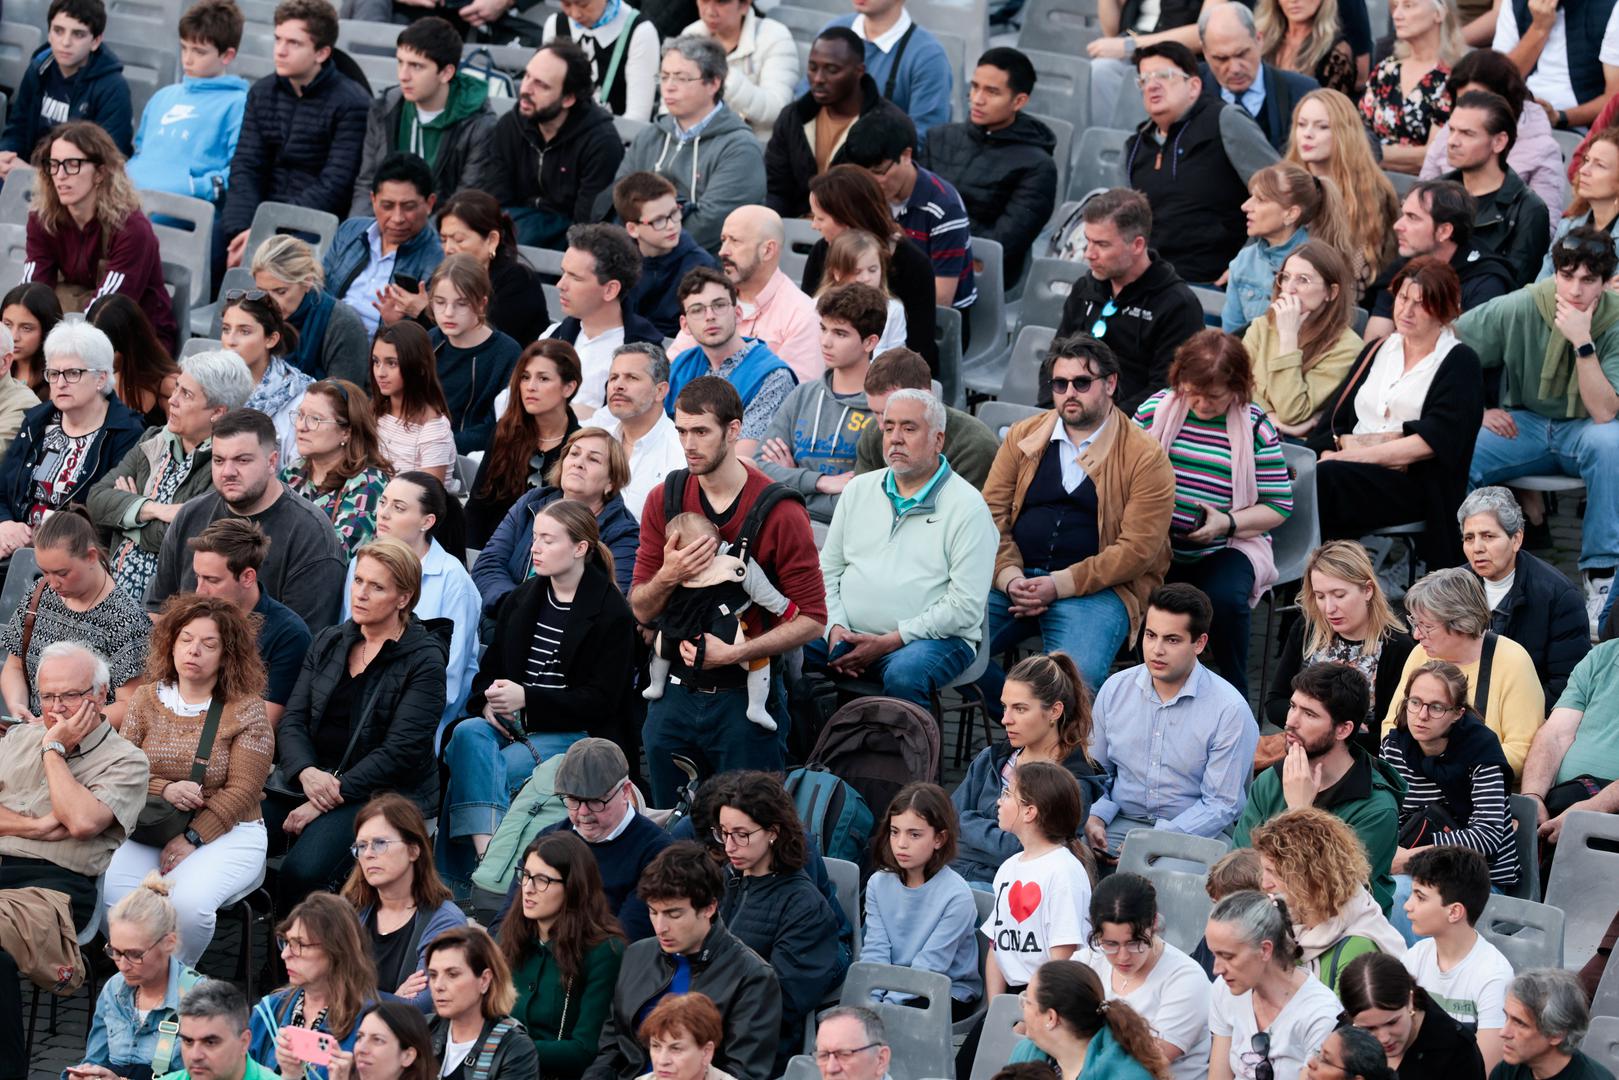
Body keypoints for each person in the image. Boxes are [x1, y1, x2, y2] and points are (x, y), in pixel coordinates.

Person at [631, 377, 825, 804]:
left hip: (744, 697)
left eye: (701, 431)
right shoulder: (665, 498)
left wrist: (735, 653)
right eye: (681, 431)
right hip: (674, 693)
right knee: (669, 823)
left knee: (751, 830)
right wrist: (669, 574)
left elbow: (813, 619)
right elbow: (640, 609)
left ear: (733, 431)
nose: (688, 444)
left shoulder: (780, 511)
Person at [441, 501, 635, 888]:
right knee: (466, 735)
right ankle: (489, 853)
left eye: (548, 539)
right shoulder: (524, 597)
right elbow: (490, 670)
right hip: (509, 721)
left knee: (496, 767)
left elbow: (601, 701)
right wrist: (487, 703)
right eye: (534, 538)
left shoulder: (611, 612)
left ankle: (472, 877)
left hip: (575, 733)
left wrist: (527, 700)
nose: (535, 548)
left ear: (580, 548)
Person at [266, 539, 448, 909]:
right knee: (236, 837)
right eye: (358, 581)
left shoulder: (424, 660)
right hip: (311, 780)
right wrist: (305, 772)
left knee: (303, 872)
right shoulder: (332, 640)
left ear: (403, 598)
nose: (360, 594)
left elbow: (401, 752)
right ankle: (256, 953)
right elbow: (294, 720)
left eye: (376, 586)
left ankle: (303, 956)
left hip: (382, 792)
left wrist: (327, 798)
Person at [0, 641, 148, 1076]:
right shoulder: (18, 738)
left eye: (69, 695)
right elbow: (61, 820)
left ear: (101, 695)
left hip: (53, 892)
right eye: (47, 696)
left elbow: (82, 821)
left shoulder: (126, 761)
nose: (57, 708)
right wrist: (35, 825)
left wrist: (54, 750)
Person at [1461, 227, 1619, 634]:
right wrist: (1476, 409)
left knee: (1611, 442)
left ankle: (1600, 576)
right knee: (1458, 446)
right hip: (1523, 424)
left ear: (1605, 282)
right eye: (1567, 276)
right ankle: (1473, 568)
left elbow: (1603, 412)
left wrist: (1583, 342)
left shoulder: (1615, 318)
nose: (1575, 290)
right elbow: (1449, 345)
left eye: (1588, 280)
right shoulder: (1523, 306)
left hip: (1584, 429)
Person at [104, 594, 272, 965]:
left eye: (208, 644)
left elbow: (244, 790)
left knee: (187, 906)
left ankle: (171, 987)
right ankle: (134, 980)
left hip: (230, 830)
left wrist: (193, 838)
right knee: (118, 896)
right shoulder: (146, 699)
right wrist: (165, 787)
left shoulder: (246, 708)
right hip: (154, 823)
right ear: (171, 643)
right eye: (186, 639)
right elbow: (122, 769)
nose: (194, 651)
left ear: (227, 654)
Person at [808, 388, 995, 703]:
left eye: (909, 428)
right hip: (848, 631)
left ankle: (909, 752)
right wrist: (835, 627)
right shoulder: (858, 490)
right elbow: (827, 569)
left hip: (930, 641)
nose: (895, 437)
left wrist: (893, 640)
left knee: (904, 674)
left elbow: (964, 608)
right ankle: (811, 749)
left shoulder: (969, 508)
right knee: (783, 644)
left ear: (938, 440)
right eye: (889, 427)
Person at [1135, 329, 1293, 700]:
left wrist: (1227, 522)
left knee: (1224, 599)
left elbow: (1278, 505)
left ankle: (1234, 692)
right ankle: (1145, 688)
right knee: (1130, 588)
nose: (1202, 404)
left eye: (1214, 397)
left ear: (1238, 389)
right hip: (1159, 542)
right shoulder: (1154, 409)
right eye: (1193, 392)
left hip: (1227, 544)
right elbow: (1121, 473)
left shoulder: (1256, 427)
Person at [1312, 257, 1486, 574]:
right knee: (1293, 472)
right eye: (1403, 298)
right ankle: (1316, 583)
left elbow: (1433, 442)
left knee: (1325, 481)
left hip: (1413, 482)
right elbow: (1338, 416)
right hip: (1350, 471)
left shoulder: (1459, 361)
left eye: (1421, 304)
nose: (1406, 311)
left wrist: (1349, 459)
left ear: (1446, 309)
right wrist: (1326, 451)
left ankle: (1328, 585)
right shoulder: (1379, 348)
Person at [580, 841, 782, 1080]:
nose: (660, 927)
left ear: (709, 908)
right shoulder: (636, 955)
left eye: (673, 914)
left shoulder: (752, 976)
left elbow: (742, 1073)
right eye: (653, 912)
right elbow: (611, 1050)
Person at [1086, 583, 1261, 855]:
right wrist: (1095, 817)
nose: (1157, 650)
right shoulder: (1115, 689)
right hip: (1118, 822)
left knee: (1173, 887)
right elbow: (1096, 772)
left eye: (1172, 640)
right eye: (1151, 635)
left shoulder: (1229, 709)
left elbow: (1221, 806)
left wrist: (1152, 843)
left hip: (1196, 833)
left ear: (1199, 643)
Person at [146, 407, 348, 631]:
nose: (228, 472)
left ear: (272, 462)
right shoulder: (191, 515)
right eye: (219, 460)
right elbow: (158, 610)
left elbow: (307, 642)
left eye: (242, 460)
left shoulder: (310, 534)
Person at [1236, 661, 1406, 913]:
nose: (1291, 721)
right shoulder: (1271, 781)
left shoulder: (1376, 810)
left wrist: (1300, 814)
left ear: (1343, 729)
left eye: (1309, 714)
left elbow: (1327, 898)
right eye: (1293, 706)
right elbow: (1240, 869)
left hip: (1341, 939)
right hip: (1260, 921)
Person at [87, 348, 253, 602]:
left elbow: (184, 540)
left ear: (218, 412)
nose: (172, 400)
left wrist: (127, 518)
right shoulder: (153, 439)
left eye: (186, 394)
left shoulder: (226, 467)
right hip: (109, 587)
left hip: (168, 606)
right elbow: (97, 500)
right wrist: (154, 510)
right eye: (176, 388)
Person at [221, 0, 370, 269]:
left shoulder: (352, 102)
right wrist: (242, 229)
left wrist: (267, 231)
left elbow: (335, 185)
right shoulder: (262, 92)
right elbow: (246, 165)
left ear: (322, 53)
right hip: (255, 219)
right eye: (278, 39)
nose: (280, 50)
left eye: (294, 43)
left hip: (311, 226)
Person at [713, 772, 847, 1069]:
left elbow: (780, 999)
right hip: (707, 1029)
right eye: (723, 832)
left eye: (741, 834)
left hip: (756, 1048)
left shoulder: (804, 907)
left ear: (773, 832)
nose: (729, 846)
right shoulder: (726, 879)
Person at [1124, 42, 1281, 287]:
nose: (1152, 85)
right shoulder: (1135, 145)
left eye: (1164, 76)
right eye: (1144, 80)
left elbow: (1281, 192)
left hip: (1214, 284)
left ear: (1194, 86)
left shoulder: (1225, 120)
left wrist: (1247, 260)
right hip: (1151, 285)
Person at [488, 739, 673, 944]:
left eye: (595, 801)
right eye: (573, 800)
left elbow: (625, 939)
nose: (583, 813)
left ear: (626, 791)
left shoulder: (658, 852)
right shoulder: (548, 839)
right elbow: (507, 920)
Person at [341, 472, 478, 737]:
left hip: (417, 720)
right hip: (353, 704)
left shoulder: (453, 579)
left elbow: (450, 673)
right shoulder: (360, 562)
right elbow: (345, 637)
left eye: (399, 507)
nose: (384, 513)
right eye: (383, 502)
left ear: (427, 521)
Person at [952, 652, 1103, 885]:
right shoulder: (990, 760)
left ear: (1054, 711)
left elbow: (1021, 851)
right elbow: (948, 823)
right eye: (1004, 707)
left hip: (1013, 892)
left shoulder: (1073, 783)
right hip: (953, 877)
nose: (1005, 719)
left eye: (1020, 709)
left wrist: (970, 822)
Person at [22, 122, 176, 351]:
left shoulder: (132, 229)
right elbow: (31, 290)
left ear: (100, 173)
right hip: (73, 329)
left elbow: (106, 310)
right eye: (53, 165)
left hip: (136, 341)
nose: (60, 175)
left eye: (72, 165)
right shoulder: (43, 219)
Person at [0, 318, 143, 563]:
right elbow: (3, 487)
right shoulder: (37, 422)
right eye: (54, 373)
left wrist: (39, 538)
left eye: (73, 373)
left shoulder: (126, 433)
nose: (60, 383)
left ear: (101, 378)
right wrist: (4, 524)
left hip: (76, 557)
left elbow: (107, 512)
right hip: (15, 548)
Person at [605, 37, 765, 255]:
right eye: (664, 77)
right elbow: (620, 198)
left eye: (681, 78)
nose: (668, 87)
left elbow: (710, 225)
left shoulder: (740, 149)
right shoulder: (650, 136)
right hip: (638, 259)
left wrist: (645, 241)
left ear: (713, 83)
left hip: (705, 269)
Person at [1380, 568, 1545, 776]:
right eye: (1415, 623)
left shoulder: (1512, 661)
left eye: (1427, 626)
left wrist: (1446, 763)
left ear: (1462, 624)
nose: (1416, 634)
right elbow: (1391, 725)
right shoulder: (1420, 654)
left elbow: (1521, 753)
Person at [1054, 189, 1205, 416]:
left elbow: (1165, 390)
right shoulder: (1085, 288)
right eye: (1088, 241)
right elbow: (1057, 358)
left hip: (1131, 430)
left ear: (1137, 245)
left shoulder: (1178, 305)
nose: (1089, 254)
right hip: (1071, 414)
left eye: (1102, 245)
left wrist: (1102, 425)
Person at [641, 512, 795, 730]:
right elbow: (763, 591)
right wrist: (786, 608)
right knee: (662, 646)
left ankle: (756, 707)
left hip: (718, 625)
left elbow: (761, 590)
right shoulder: (680, 567)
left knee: (663, 646)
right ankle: (656, 685)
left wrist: (783, 607)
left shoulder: (734, 561)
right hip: (693, 625)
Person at [919, 47, 1058, 287]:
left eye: (991, 92)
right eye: (974, 87)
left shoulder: (1037, 166)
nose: (977, 99)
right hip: (921, 259)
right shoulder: (939, 138)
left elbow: (1001, 246)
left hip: (981, 279)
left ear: (1019, 101)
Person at [0, 507, 149, 728]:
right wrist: (17, 706)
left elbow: (130, 705)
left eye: (62, 573)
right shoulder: (39, 593)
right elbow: (14, 665)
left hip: (88, 747)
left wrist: (69, 726)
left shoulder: (124, 619)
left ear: (91, 556)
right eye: (45, 572)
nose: (52, 583)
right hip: (32, 732)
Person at [1262, 541, 1418, 750]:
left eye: (1339, 595)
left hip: (1362, 759)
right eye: (1320, 596)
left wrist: (1319, 725)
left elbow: (1394, 732)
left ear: (1367, 590)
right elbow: (1274, 703)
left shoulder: (1396, 646)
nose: (1329, 608)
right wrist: (1326, 725)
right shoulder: (1307, 628)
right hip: (1303, 750)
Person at [499, 831, 626, 1079]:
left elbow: (585, 1050)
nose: (528, 888)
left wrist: (504, 1047)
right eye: (525, 876)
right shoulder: (508, 938)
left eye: (542, 880)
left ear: (573, 887)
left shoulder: (604, 952)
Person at [471, 426, 640, 608]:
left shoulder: (623, 532)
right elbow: (488, 564)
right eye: (574, 454)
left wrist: (539, 615)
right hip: (506, 614)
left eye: (593, 459)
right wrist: (516, 607)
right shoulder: (531, 502)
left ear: (611, 482)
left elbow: (611, 602)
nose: (578, 463)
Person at [754, 283, 880, 523]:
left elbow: (860, 501)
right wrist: (820, 482)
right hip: (789, 525)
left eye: (840, 333)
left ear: (869, 343)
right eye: (823, 329)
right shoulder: (803, 395)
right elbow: (759, 466)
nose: (825, 342)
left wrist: (789, 481)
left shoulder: (882, 410)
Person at [485, 40, 626, 251]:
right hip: (512, 234)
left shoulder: (601, 143)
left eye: (541, 85)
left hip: (568, 246)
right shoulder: (510, 125)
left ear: (568, 99)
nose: (526, 89)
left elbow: (586, 225)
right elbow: (496, 200)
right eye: (526, 76)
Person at [348, 18, 496, 217]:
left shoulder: (479, 126)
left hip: (440, 236)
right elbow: (368, 183)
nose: (403, 75)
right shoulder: (384, 109)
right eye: (400, 62)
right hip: (386, 225)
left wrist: (416, 242)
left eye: (416, 66)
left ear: (446, 73)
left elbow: (463, 204)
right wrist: (359, 236)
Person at [1250, 808, 1408, 993]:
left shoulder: (1359, 950)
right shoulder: (1281, 921)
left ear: (1310, 877)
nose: (1264, 884)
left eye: (1274, 873)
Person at [762, 28, 911, 223]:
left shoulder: (891, 125)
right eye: (813, 68)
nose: (818, 79)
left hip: (857, 236)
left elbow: (888, 200)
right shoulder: (792, 117)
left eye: (832, 70)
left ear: (859, 71)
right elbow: (777, 190)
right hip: (793, 233)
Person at [800, 165, 939, 371]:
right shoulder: (823, 250)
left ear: (847, 221)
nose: (814, 226)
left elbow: (919, 348)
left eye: (820, 218)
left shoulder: (912, 264)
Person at [1074, 874, 1211, 1080]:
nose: (1123, 956)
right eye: (1110, 944)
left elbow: (1153, 1060)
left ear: (1154, 923)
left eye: (1134, 942)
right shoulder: (1087, 962)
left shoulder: (1185, 978)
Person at [861, 782, 981, 1014]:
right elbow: (875, 950)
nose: (901, 844)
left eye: (914, 834)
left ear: (939, 839)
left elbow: (931, 965)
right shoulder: (878, 882)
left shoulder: (957, 895)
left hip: (945, 990)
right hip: (891, 986)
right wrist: (870, 999)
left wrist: (884, 1009)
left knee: (885, 1024)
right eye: (895, 832)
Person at [1459, 486, 1589, 701]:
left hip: (1527, 715)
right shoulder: (1452, 588)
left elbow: (1567, 685)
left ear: (1516, 539)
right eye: (1469, 538)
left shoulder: (1558, 596)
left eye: (1488, 536)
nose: (1477, 548)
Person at [69, 874, 203, 1080]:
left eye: (134, 954)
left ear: (169, 943)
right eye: (115, 951)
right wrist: (85, 1075)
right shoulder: (114, 989)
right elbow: (95, 1059)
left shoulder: (201, 999)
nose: (122, 965)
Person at [841, 111, 977, 314]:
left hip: (935, 319)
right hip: (877, 307)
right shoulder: (864, 193)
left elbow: (941, 298)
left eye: (878, 172)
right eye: (863, 173)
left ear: (906, 155)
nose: (870, 182)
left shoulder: (944, 208)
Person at [339, 794, 466, 1010]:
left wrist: (355, 996)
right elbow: (322, 987)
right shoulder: (349, 909)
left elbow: (422, 1004)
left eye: (380, 843)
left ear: (414, 850)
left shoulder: (445, 920)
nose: (368, 854)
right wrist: (393, 999)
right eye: (361, 846)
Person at [669, 205, 820, 382]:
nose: (723, 251)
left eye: (734, 241)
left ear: (768, 250)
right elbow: (673, 368)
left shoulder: (802, 315)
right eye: (723, 240)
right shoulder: (707, 301)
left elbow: (794, 397)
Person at [984, 761, 1094, 1001]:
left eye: (1007, 794)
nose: (999, 801)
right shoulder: (1008, 867)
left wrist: (1030, 1012)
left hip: (1051, 997)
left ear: (1029, 811)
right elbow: (996, 948)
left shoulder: (1063, 871)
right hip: (1013, 998)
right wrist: (995, 1008)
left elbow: (1061, 957)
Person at [1205, 890, 1344, 1080]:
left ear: (1264, 950)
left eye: (1228, 956)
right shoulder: (1225, 989)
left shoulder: (1319, 1013)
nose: (1217, 969)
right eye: (1214, 954)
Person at [186, 517, 313, 726]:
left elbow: (262, 725)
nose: (200, 590)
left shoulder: (289, 634)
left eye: (212, 580)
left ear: (247, 577)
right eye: (197, 577)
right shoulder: (192, 617)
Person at [1402, 846, 1515, 1072]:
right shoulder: (1414, 957)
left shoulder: (1493, 975)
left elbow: (1483, 1069)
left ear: (1454, 912)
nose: (1407, 905)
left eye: (1420, 897)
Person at [125, 0, 247, 207]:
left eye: (199, 51)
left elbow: (240, 172)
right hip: (131, 205)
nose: (187, 59)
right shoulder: (162, 97)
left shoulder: (239, 104)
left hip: (185, 215)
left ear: (227, 55)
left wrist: (194, 187)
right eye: (184, 48)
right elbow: (139, 152)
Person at [666, 267, 796, 461]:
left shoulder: (772, 376)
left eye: (718, 305)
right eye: (697, 310)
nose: (710, 315)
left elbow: (742, 459)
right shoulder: (681, 366)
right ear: (685, 325)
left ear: (737, 313)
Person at [1422, 49, 1569, 218]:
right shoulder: (1447, 135)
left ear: (1506, 99)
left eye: (1480, 100)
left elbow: (1543, 228)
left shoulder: (1543, 149)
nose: (1470, 108)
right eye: (1463, 100)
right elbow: (1421, 204)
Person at [247, 894, 381, 1076]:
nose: (284, 954)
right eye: (286, 942)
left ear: (336, 950)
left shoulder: (370, 1027)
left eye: (299, 944)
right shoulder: (268, 1011)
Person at [467, 342, 585, 549]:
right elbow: (478, 506)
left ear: (569, 387)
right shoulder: (505, 433)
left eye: (543, 378)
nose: (530, 387)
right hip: (493, 554)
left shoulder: (579, 447)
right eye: (525, 377)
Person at [1364, 182, 1518, 340]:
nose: (1397, 226)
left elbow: (1467, 353)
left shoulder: (1485, 284)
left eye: (1412, 217)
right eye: (1403, 215)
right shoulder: (1405, 267)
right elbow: (1373, 343)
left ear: (1444, 231)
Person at [0, 0, 131, 181]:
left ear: (95, 41)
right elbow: (17, 128)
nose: (65, 42)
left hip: (76, 186)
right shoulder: (39, 69)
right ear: (49, 34)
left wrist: (34, 176)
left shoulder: (113, 88)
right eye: (58, 30)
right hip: (27, 174)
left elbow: (107, 163)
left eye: (78, 34)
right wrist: (6, 157)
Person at [1245, 242, 1365, 438]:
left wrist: (1288, 337)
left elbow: (1291, 412)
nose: (1289, 288)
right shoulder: (1262, 326)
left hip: (1291, 452)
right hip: (1245, 430)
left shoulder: (1348, 348)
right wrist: (1270, 417)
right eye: (1285, 277)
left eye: (1303, 280)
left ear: (1331, 292)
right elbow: (1232, 381)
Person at [1286, 89, 1402, 291]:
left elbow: (1356, 280)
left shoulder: (1370, 192)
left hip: (1340, 302)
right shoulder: (1285, 183)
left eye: (1322, 127)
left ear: (1344, 133)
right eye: (1301, 125)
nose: (1307, 134)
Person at [543, 225, 661, 419]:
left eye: (575, 277)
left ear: (610, 290)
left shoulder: (641, 352)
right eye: (563, 273)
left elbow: (624, 425)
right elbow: (511, 400)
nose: (560, 285)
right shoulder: (553, 335)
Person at [325, 153, 445, 338]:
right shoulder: (349, 231)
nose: (397, 218)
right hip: (326, 340)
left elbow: (442, 336)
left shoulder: (440, 260)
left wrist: (423, 314)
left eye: (409, 207)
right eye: (387, 205)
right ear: (373, 200)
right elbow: (321, 289)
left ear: (430, 203)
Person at [1439, 91, 1551, 287]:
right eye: (1451, 130)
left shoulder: (1528, 210)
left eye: (1466, 133)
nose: (1452, 141)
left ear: (1499, 142)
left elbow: (1516, 293)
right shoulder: (1435, 193)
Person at [1222, 164, 1350, 335]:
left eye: (1260, 199)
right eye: (1251, 197)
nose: (1245, 206)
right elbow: (1231, 335)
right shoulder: (1244, 261)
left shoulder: (1319, 262)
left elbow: (1324, 335)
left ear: (1290, 214)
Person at [419, 258, 520, 460]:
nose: (448, 313)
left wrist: (439, 445)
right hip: (418, 447)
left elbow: (496, 425)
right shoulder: (429, 341)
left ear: (482, 304)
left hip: (469, 460)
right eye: (440, 302)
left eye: (461, 304)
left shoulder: (507, 353)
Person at [279, 379, 391, 558]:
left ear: (347, 432)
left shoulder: (369, 482)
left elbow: (339, 554)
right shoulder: (292, 474)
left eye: (315, 419)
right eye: (300, 415)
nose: (301, 426)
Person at [854, 347, 997, 486]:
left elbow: (967, 508)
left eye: (887, 411)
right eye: (876, 413)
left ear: (926, 397)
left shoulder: (974, 448)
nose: (881, 425)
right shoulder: (873, 433)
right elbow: (861, 499)